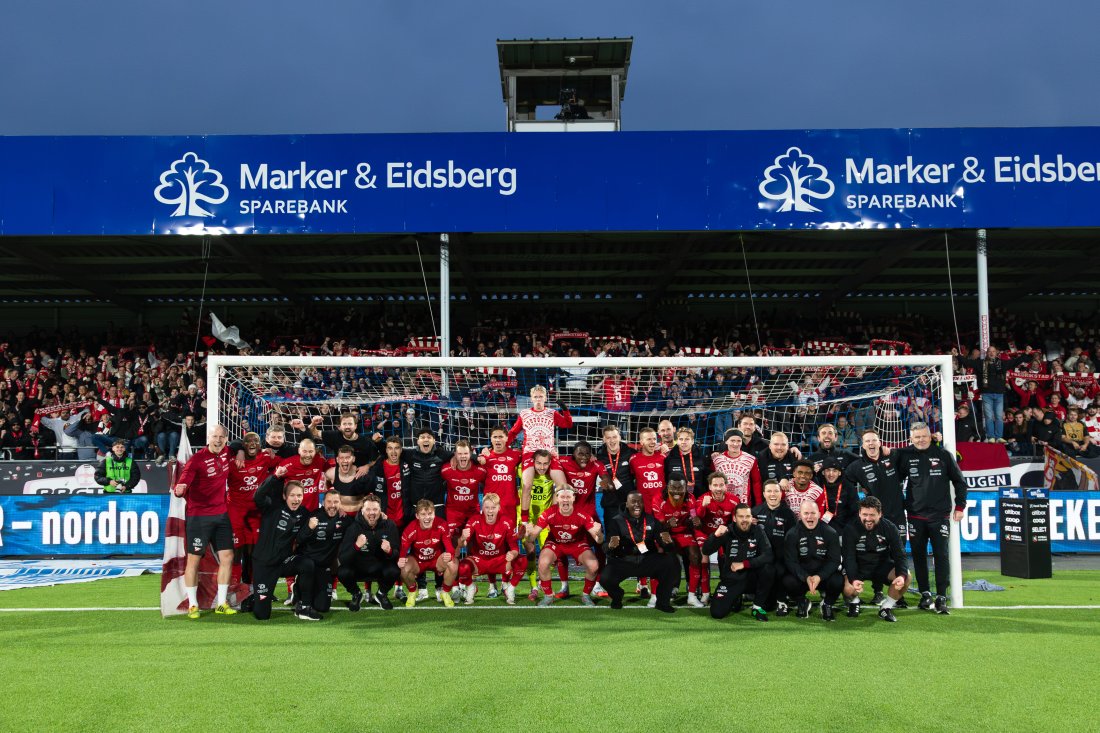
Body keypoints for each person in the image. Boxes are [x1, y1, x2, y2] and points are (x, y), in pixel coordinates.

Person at [894, 422, 967, 614]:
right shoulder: (905, 455)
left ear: (930, 435)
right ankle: (925, 594)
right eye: (916, 437)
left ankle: (942, 596)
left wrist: (960, 506)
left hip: (940, 515)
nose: (920, 440)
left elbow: (960, 482)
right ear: (911, 438)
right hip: (915, 515)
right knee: (918, 555)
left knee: (941, 556)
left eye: (923, 436)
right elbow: (894, 480)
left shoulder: (943, 455)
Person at [173, 424, 236, 618]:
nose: (218, 440)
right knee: (194, 560)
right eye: (214, 436)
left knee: (227, 557)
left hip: (221, 515)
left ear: (226, 439)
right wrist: (180, 488)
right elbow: (182, 482)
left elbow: (239, 445)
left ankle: (222, 603)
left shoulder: (227, 452)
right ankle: (193, 604)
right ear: (208, 438)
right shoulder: (197, 460)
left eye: (221, 437)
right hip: (199, 517)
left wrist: (240, 453)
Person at [242, 468, 318, 621]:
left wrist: (309, 528)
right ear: (285, 496)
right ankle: (253, 599)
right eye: (292, 495)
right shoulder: (272, 507)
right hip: (264, 564)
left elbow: (301, 538)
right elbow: (258, 496)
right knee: (262, 615)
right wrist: (275, 477)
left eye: (299, 495)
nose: (296, 499)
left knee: (308, 564)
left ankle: (304, 606)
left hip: (283, 562)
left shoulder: (303, 513)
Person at [844, 429, 909, 606]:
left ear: (879, 442)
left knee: (898, 552)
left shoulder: (893, 456)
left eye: (874, 440)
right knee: (873, 551)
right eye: (867, 441)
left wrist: (934, 440)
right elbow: (847, 480)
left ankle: (898, 593)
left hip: (896, 516)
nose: (871, 444)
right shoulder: (857, 466)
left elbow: (910, 453)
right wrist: (860, 489)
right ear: (863, 445)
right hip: (873, 519)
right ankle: (878, 591)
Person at [600, 491, 680, 613]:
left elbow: (665, 545)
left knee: (670, 563)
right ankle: (617, 596)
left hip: (646, 560)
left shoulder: (652, 521)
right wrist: (611, 546)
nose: (637, 504)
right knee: (605, 578)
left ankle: (662, 602)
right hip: (624, 560)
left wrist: (669, 543)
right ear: (627, 504)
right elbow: (606, 547)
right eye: (633, 501)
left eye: (639, 501)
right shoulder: (616, 521)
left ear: (643, 504)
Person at [528, 486, 603, 606]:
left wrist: (599, 533)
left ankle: (585, 595)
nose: (565, 500)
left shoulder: (582, 514)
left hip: (577, 543)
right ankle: (548, 596)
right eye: (562, 497)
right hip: (555, 543)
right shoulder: (548, 513)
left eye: (568, 496)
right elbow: (532, 538)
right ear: (557, 498)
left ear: (573, 498)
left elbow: (599, 541)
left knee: (593, 565)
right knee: (543, 563)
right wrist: (529, 533)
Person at [842, 496, 910, 623]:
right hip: (859, 567)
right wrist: (853, 578)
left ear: (880, 514)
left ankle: (886, 607)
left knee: (907, 576)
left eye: (872, 515)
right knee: (848, 588)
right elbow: (849, 557)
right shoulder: (850, 528)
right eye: (864, 514)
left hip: (882, 567)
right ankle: (854, 602)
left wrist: (901, 575)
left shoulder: (890, 528)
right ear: (859, 513)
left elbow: (900, 555)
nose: (868, 519)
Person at [702, 503, 774, 621]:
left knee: (769, 569)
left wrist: (744, 564)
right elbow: (706, 550)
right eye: (741, 517)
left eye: (747, 516)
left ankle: (757, 607)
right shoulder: (727, 531)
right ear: (735, 518)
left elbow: (768, 555)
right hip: (732, 578)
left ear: (751, 518)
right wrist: (715, 535)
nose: (745, 520)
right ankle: (736, 597)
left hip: (752, 577)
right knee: (717, 613)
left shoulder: (758, 531)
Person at [509, 385, 572, 518]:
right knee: (526, 486)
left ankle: (555, 517)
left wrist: (565, 410)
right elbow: (513, 432)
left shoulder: (552, 413)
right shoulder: (525, 414)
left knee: (563, 487)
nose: (538, 400)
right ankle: (525, 521)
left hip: (548, 454)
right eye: (536, 397)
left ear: (545, 398)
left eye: (541, 397)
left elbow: (568, 424)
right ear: (531, 399)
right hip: (529, 454)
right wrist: (499, 447)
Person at [227, 431, 278, 587]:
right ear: (243, 445)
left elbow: (287, 461)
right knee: (236, 550)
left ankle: (253, 584)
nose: (252, 444)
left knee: (254, 551)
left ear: (260, 444)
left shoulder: (265, 458)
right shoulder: (232, 462)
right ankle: (234, 584)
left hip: (256, 513)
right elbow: (228, 445)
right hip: (236, 511)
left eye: (256, 441)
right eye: (248, 441)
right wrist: (238, 451)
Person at [457, 492, 524, 604]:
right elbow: (462, 545)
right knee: (462, 567)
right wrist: (462, 538)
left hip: (499, 561)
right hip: (480, 561)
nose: (490, 511)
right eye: (487, 507)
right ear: (482, 507)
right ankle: (471, 587)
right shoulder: (474, 520)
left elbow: (514, 548)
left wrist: (513, 554)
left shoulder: (507, 522)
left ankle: (510, 589)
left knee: (522, 560)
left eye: (493, 507)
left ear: (498, 508)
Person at [337, 493, 401, 611]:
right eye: (368, 509)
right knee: (342, 572)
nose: (372, 513)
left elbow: (397, 554)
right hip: (359, 568)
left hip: (380, 568)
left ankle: (381, 594)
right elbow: (343, 558)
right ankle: (356, 594)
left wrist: (389, 551)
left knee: (395, 570)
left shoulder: (389, 525)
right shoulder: (353, 528)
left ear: (380, 510)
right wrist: (356, 546)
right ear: (362, 510)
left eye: (375, 509)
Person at [783, 499, 844, 622]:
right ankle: (802, 602)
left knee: (838, 580)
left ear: (819, 514)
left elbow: (834, 560)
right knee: (787, 581)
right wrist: (805, 577)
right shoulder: (792, 534)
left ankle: (827, 604)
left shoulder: (830, 533)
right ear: (800, 515)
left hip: (823, 576)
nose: (809, 516)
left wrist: (819, 576)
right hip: (802, 577)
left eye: (813, 513)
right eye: (806, 513)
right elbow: (791, 561)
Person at [295, 490, 351, 613]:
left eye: (336, 502)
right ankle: (298, 589)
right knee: (307, 569)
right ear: (323, 502)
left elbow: (360, 525)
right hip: (307, 566)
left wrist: (382, 517)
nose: (332, 505)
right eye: (329, 502)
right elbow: (298, 539)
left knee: (322, 607)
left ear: (340, 503)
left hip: (324, 568)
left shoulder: (345, 520)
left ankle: (309, 590)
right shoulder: (314, 516)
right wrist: (309, 528)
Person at [399, 499, 458, 607]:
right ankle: (412, 591)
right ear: (417, 516)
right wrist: (401, 559)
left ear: (434, 513)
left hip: (436, 561)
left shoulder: (442, 524)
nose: (427, 517)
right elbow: (403, 549)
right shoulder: (410, 529)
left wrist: (450, 553)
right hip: (418, 561)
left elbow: (449, 546)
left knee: (453, 563)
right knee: (403, 568)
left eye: (430, 513)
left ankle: (445, 592)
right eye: (423, 514)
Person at [654, 479, 703, 607]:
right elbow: (658, 526)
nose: (676, 491)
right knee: (667, 557)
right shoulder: (658, 499)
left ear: (686, 488)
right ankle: (666, 589)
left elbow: (693, 516)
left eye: (680, 488)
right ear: (667, 487)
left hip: (683, 533)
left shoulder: (691, 498)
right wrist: (666, 524)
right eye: (673, 488)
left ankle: (692, 595)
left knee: (695, 556)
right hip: (666, 533)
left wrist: (695, 521)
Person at [751, 479, 796, 615]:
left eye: (776, 491)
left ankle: (782, 600)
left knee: (780, 570)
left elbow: (793, 541)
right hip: (762, 560)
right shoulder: (755, 512)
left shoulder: (789, 514)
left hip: (781, 559)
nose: (773, 494)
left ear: (781, 493)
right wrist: (749, 525)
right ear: (764, 494)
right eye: (769, 491)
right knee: (767, 604)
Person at [296, 410, 382, 476]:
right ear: (340, 426)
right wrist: (313, 424)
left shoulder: (365, 441)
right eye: (344, 424)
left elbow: (377, 458)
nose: (347, 427)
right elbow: (312, 432)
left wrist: (367, 466)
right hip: (340, 477)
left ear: (355, 426)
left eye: (350, 424)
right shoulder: (334, 436)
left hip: (359, 477)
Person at [696, 472, 738, 605]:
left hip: (721, 535)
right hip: (704, 533)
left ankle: (724, 588)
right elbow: (696, 519)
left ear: (726, 486)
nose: (718, 488)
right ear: (710, 486)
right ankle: (705, 592)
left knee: (724, 558)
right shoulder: (702, 498)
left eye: (721, 485)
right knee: (703, 557)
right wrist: (703, 506)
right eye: (715, 485)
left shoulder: (734, 500)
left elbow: (735, 523)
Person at [400, 427, 452, 524]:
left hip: (437, 506)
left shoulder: (441, 454)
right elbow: (390, 451)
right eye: (422, 437)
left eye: (429, 437)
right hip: (416, 507)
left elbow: (460, 455)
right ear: (418, 441)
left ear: (434, 441)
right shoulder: (410, 455)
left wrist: (477, 457)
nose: (426, 439)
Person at [441, 439, 487, 538]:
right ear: (455, 455)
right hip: (453, 512)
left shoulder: (480, 471)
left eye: (466, 453)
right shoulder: (446, 470)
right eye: (460, 453)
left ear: (470, 454)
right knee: (453, 542)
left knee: (473, 540)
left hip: (472, 511)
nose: (463, 456)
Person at [710, 428, 762, 506]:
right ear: (726, 441)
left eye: (738, 441)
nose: (735, 444)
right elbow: (711, 483)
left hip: (742, 504)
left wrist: (759, 504)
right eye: (732, 440)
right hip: (721, 503)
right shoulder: (717, 460)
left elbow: (756, 482)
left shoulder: (750, 459)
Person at [594, 424, 635, 522]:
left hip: (629, 502)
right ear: (604, 439)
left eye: (615, 437)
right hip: (610, 503)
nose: (612, 441)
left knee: (630, 535)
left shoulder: (631, 453)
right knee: (612, 535)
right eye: (608, 438)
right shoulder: (599, 457)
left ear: (620, 437)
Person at [278, 438, 330, 513]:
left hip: (312, 511)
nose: (308, 455)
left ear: (315, 451)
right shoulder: (287, 464)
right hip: (292, 511)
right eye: (304, 451)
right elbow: (274, 481)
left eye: (311, 451)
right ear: (299, 450)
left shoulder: (320, 461)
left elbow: (332, 474)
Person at [365, 436, 405, 526]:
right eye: (390, 448)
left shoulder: (406, 465)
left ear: (401, 450)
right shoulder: (378, 468)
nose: (393, 452)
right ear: (386, 450)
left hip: (403, 516)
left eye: (397, 448)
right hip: (384, 516)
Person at [664, 427, 709, 496]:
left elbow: (707, 480)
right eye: (681, 439)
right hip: (678, 500)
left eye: (687, 439)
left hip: (699, 499)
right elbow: (666, 480)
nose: (683, 442)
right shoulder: (669, 459)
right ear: (677, 441)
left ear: (692, 441)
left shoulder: (702, 458)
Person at [327, 445, 371, 516]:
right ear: (337, 459)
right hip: (341, 515)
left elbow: (371, 496)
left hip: (360, 515)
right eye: (342, 458)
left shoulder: (362, 473)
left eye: (348, 457)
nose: (345, 460)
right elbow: (327, 493)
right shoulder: (330, 474)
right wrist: (337, 507)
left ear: (353, 459)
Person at [819, 457, 860, 530]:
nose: (831, 474)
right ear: (823, 472)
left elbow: (855, 511)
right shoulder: (818, 485)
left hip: (845, 528)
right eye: (828, 470)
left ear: (839, 473)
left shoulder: (848, 487)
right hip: (823, 528)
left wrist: (849, 529)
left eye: (834, 471)